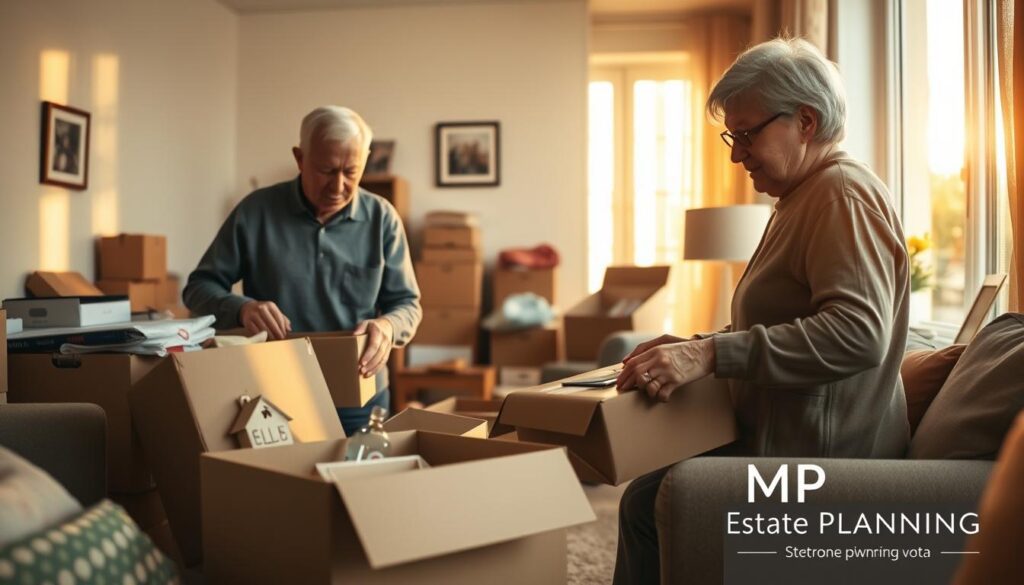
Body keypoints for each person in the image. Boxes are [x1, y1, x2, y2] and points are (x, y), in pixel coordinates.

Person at [612, 37, 911, 584]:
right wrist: (692, 345)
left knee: (651, 503)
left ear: (806, 121)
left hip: (823, 463)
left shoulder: (840, 195)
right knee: (646, 497)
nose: (735, 153)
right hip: (788, 443)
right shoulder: (802, 196)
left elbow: (857, 334)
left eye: (747, 133)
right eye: (733, 135)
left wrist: (710, 355)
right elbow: (782, 319)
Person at [183, 106, 421, 435]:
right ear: (299, 158)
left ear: (366, 160)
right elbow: (198, 288)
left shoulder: (383, 218)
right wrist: (243, 308)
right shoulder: (256, 212)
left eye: (351, 172)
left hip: (359, 396)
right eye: (326, 170)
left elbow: (408, 304)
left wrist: (388, 326)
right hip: (272, 394)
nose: (338, 185)